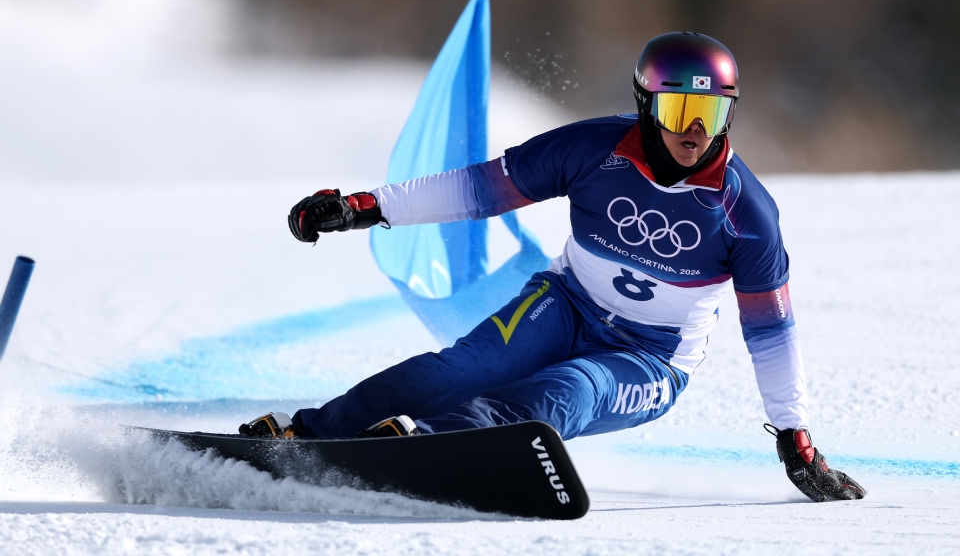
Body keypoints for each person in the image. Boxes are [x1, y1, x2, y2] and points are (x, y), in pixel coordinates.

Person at [241, 32, 865, 502]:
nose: (694, 133)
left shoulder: (746, 212)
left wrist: (795, 438)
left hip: (651, 357)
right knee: (459, 370)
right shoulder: (593, 149)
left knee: (569, 391)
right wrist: (367, 208)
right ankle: (308, 433)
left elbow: (771, 335)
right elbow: (479, 189)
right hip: (565, 305)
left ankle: (432, 442)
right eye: (679, 113)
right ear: (646, 105)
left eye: (712, 115)